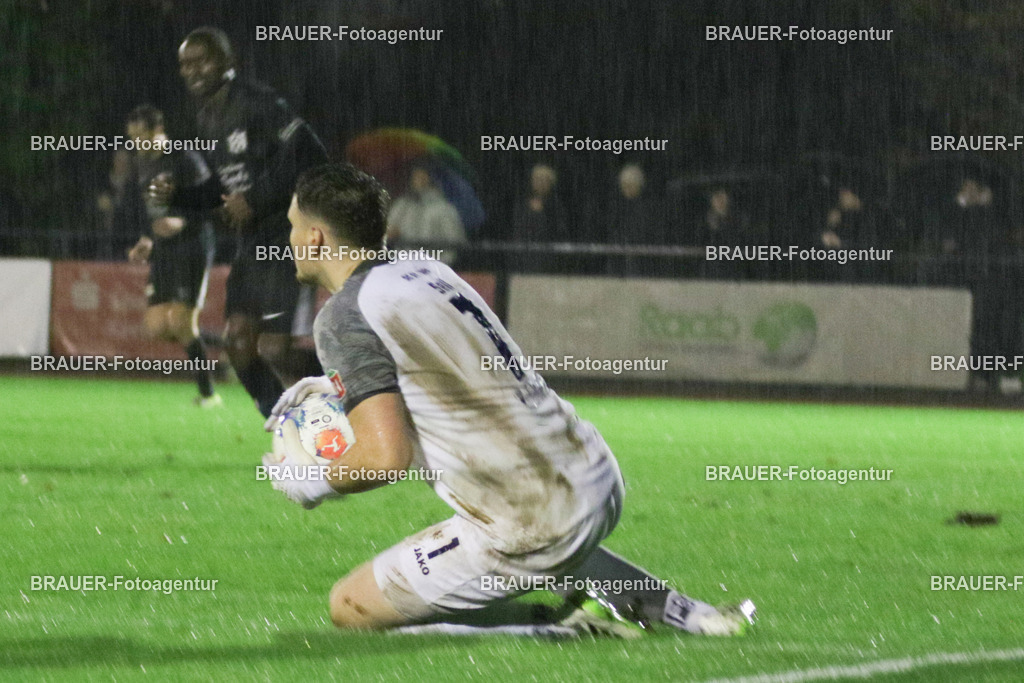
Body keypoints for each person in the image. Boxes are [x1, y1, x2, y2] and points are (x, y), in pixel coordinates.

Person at [262, 163, 755, 637]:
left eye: (291, 226)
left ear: (316, 237)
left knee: (350, 606)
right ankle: (684, 613)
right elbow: (445, 377)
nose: (288, 239)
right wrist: (343, 387)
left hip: (530, 512)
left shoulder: (344, 316)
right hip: (592, 473)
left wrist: (309, 482)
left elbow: (385, 458)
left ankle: (560, 627)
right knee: (548, 543)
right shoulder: (427, 271)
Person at [153, 26, 328, 417]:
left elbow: (308, 151)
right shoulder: (207, 118)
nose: (192, 70)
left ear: (227, 62)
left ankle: (355, 392)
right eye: (185, 64)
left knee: (274, 350)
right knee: (238, 344)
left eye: (202, 61)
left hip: (289, 236)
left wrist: (256, 198)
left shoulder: (256, 102)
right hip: (252, 243)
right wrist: (178, 196)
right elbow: (224, 188)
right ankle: (287, 426)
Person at [123, 105, 219, 406]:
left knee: (180, 321)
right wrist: (146, 239)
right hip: (163, 248)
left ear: (158, 130)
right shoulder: (143, 163)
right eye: (132, 138)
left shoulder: (185, 158)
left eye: (140, 136)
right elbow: (152, 209)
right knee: (156, 326)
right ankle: (223, 341)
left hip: (192, 244)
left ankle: (208, 394)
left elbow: (213, 201)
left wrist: (183, 220)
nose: (136, 143)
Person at [386, 163, 466, 265]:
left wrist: (441, 266)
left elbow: (454, 243)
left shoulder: (444, 209)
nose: (419, 181)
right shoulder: (402, 205)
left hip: (434, 266)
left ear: (431, 179)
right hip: (404, 265)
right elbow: (388, 233)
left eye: (423, 177)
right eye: (416, 177)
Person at [511, 164, 568, 242]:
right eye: (537, 179)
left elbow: (560, 231)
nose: (541, 183)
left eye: (545, 180)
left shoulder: (556, 206)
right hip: (524, 246)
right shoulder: (522, 204)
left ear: (551, 183)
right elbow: (517, 230)